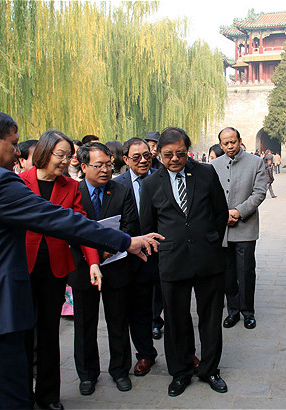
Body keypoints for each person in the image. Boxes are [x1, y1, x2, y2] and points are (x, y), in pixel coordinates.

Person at [0, 111, 162, 410]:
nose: (17, 152)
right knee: (5, 400)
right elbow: (59, 219)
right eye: (13, 144)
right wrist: (125, 241)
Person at [19, 130, 105, 409]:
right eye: (61, 155)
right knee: (21, 335)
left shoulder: (70, 186)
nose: (65, 162)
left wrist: (93, 261)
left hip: (54, 272)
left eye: (68, 156)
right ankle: (20, 394)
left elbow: (80, 226)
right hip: (21, 270)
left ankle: (48, 396)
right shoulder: (19, 182)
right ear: (44, 153)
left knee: (48, 335)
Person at [140, 127, 228, 397]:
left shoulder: (205, 172)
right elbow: (147, 225)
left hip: (207, 257)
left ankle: (210, 370)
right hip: (172, 260)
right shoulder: (151, 183)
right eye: (168, 155)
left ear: (187, 150)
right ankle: (180, 371)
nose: (175, 159)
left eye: (180, 153)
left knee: (210, 317)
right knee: (176, 320)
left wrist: (210, 238)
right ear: (158, 154)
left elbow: (220, 212)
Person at [68, 142, 142, 395]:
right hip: (82, 267)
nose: (105, 170)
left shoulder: (121, 191)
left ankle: (120, 370)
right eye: (98, 165)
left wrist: (111, 247)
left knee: (118, 320)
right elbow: (68, 229)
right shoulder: (73, 192)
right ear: (84, 166)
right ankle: (87, 374)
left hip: (116, 264)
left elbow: (131, 226)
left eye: (108, 165)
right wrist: (93, 254)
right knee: (85, 323)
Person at [211, 127, 267, 330]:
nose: (229, 146)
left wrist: (238, 211)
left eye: (232, 142)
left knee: (245, 272)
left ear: (240, 140)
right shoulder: (214, 165)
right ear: (220, 145)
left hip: (245, 226)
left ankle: (248, 312)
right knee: (227, 273)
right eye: (225, 143)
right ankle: (232, 311)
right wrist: (222, 214)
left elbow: (259, 193)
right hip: (222, 228)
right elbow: (210, 195)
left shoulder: (255, 162)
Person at [116, 138, 162, 370]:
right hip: (135, 256)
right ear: (125, 160)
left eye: (147, 155)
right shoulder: (117, 184)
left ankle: (184, 352)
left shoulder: (162, 177)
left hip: (164, 253)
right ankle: (145, 353)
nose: (143, 160)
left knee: (174, 305)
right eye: (137, 157)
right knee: (139, 307)